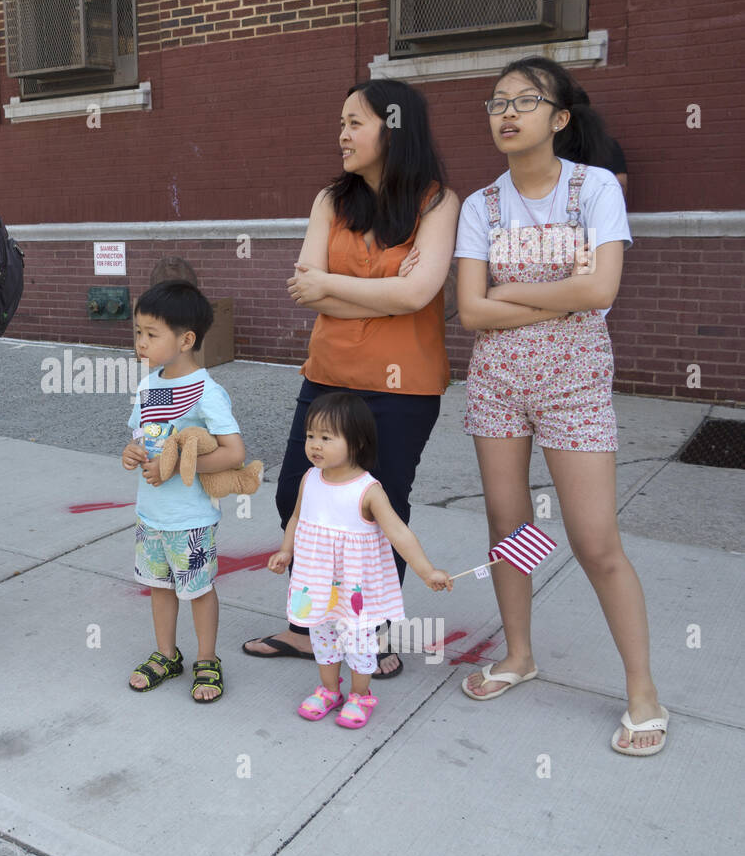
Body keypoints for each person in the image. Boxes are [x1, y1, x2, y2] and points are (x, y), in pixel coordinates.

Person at [454, 55, 668, 756]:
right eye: (496, 102)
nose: (507, 112)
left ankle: (642, 692)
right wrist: (554, 295)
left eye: (525, 100)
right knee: (508, 523)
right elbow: (467, 312)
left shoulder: (595, 188)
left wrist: (507, 295)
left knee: (594, 538)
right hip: (498, 383)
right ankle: (519, 654)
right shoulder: (480, 205)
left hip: (575, 381)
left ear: (560, 117)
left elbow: (599, 292)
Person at [242, 79, 458, 677]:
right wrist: (388, 296)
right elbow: (306, 287)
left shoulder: (437, 203)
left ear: (395, 127)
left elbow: (419, 292)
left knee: (378, 509)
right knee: (298, 495)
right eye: (341, 122)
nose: (342, 134)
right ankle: (311, 630)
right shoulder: (329, 200)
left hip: (403, 386)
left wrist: (342, 289)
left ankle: (373, 633)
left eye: (355, 122)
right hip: (329, 376)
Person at [268, 393, 452, 728]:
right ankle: (328, 690)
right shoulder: (310, 479)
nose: (314, 445)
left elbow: (398, 532)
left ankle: (360, 695)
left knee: (358, 642)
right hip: (317, 581)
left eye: (326, 437)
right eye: (310, 435)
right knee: (322, 637)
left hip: (355, 588)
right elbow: (296, 517)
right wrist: (285, 550)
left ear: (357, 442)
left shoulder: (368, 490)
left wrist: (427, 571)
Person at [121, 280, 246, 703]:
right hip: (150, 515)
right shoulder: (147, 386)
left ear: (186, 339)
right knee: (159, 586)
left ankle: (207, 659)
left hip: (190, 520)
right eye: (138, 332)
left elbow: (233, 453)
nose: (141, 342)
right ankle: (166, 654)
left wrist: (175, 469)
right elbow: (143, 435)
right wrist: (133, 451)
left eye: (152, 334)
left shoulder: (208, 392)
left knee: (198, 589)